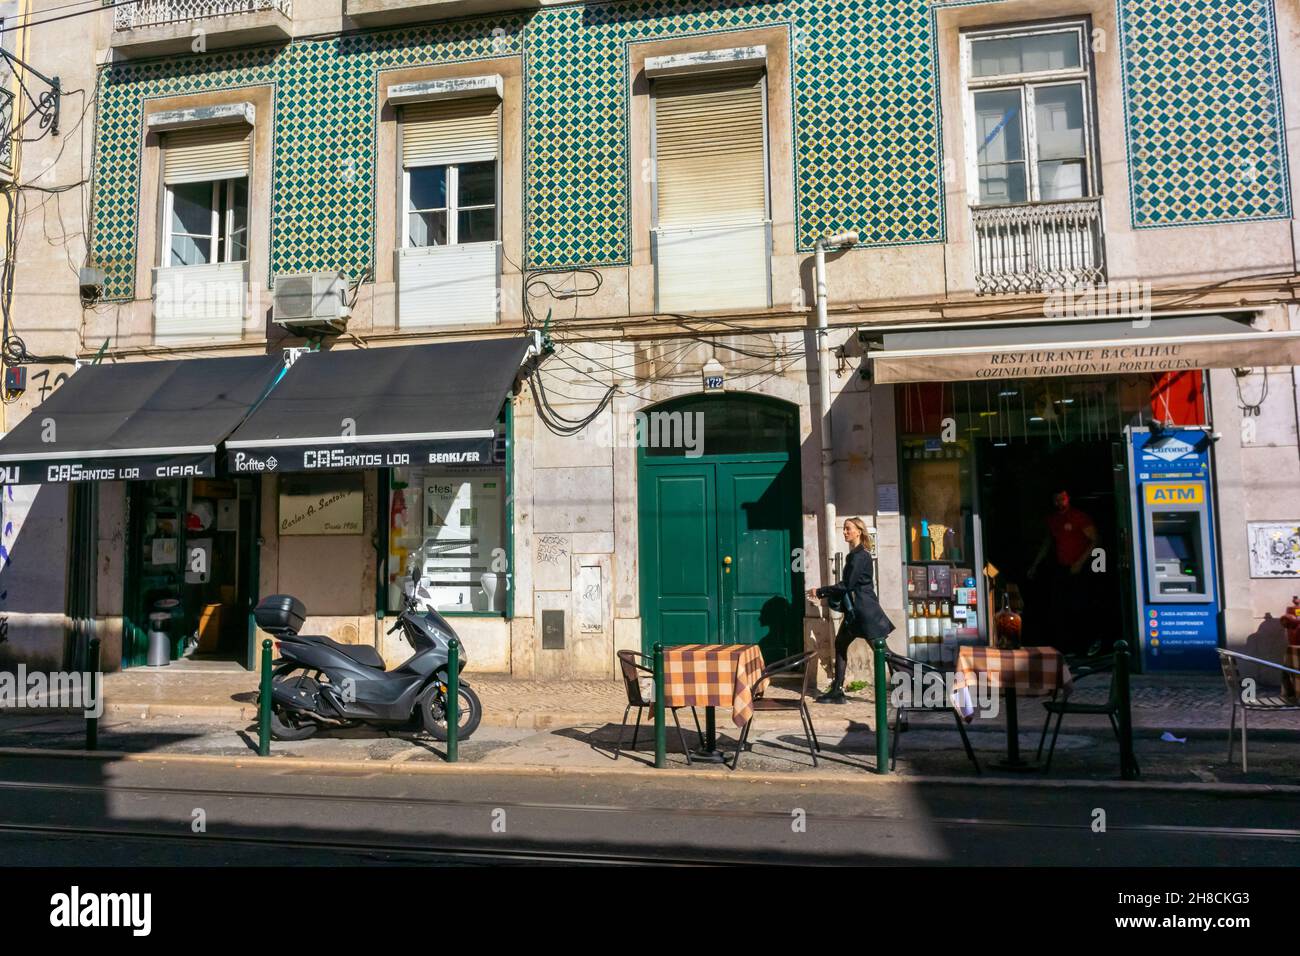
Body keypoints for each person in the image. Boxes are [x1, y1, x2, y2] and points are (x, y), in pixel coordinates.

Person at [807, 517, 895, 704]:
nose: (845, 532)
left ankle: (916, 684)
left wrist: (820, 592)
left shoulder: (859, 556)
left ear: (858, 532)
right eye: (845, 529)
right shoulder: (858, 554)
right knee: (840, 645)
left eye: (848, 529)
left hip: (864, 613)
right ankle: (837, 690)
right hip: (856, 613)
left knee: (885, 654)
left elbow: (847, 585)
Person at [1028, 489, 1098, 653]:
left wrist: (1080, 563)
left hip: (1080, 569)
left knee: (1080, 607)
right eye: (1056, 499)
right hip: (1061, 568)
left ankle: (1085, 646)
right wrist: (1035, 565)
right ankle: (1067, 647)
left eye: (1062, 499)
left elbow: (1095, 539)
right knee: (1061, 608)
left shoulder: (1078, 517)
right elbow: (1048, 542)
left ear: (1068, 498)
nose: (1060, 502)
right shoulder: (1053, 520)